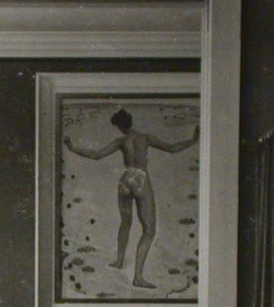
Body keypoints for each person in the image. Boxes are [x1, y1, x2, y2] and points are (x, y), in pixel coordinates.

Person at [63, 109, 199, 289]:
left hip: (125, 181)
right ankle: (138, 277)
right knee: (149, 231)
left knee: (125, 222)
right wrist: (194, 140)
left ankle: (119, 261)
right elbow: (172, 148)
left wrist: (72, 147)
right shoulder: (145, 138)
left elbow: (96, 154)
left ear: (120, 126)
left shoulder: (121, 141)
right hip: (141, 180)